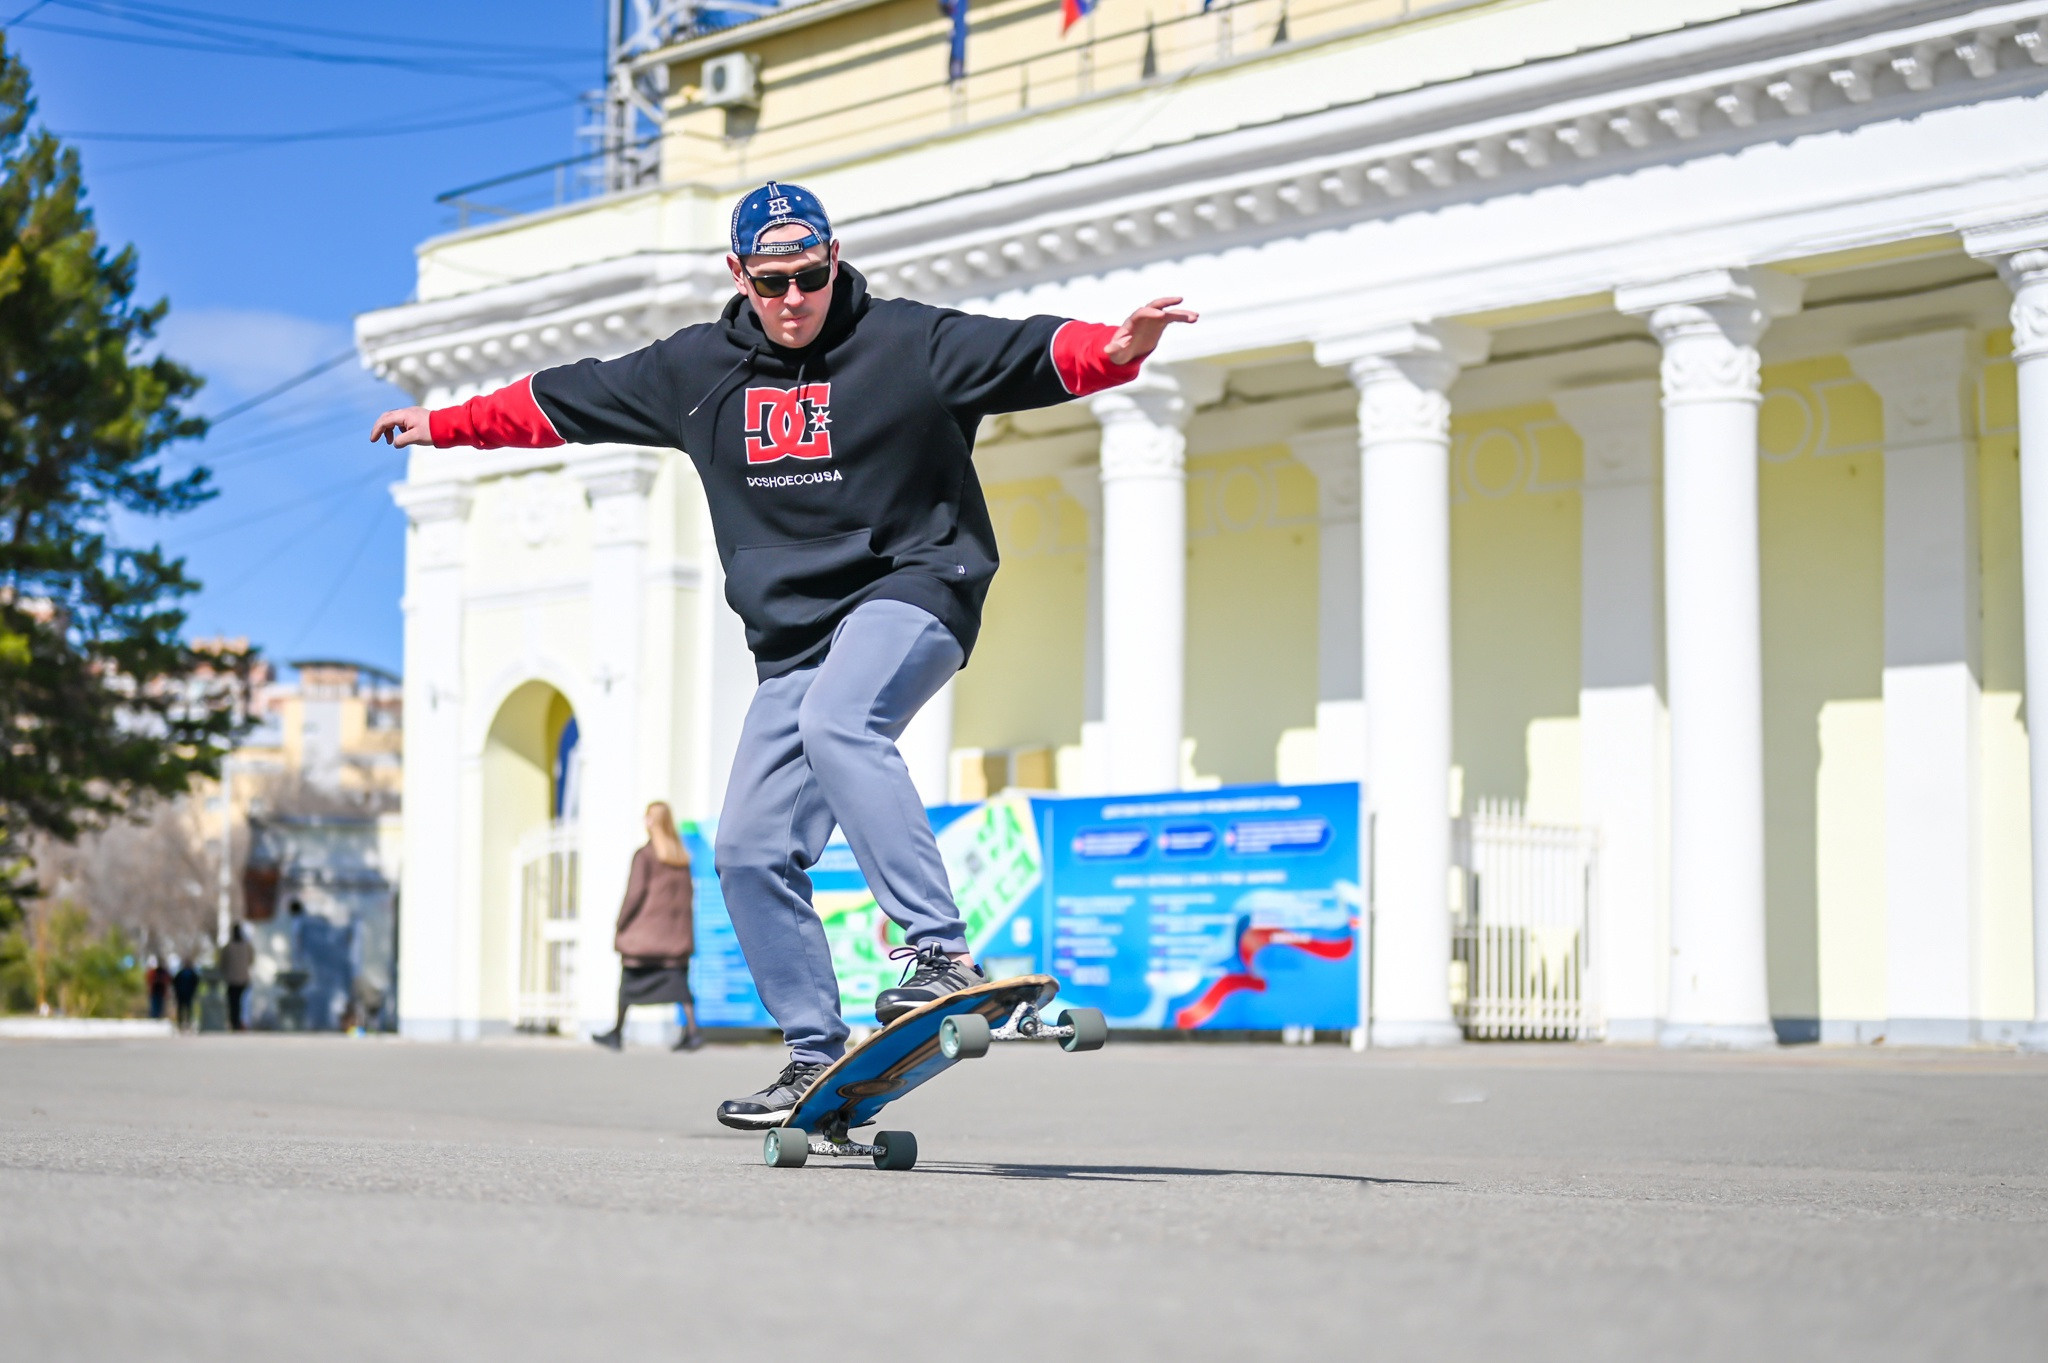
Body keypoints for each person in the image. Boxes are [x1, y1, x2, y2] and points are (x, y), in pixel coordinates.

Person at [373, 180, 1195, 1129]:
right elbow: (565, 399)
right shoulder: (695, 371)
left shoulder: (906, 342)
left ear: (834, 259)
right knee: (746, 846)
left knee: (844, 721)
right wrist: (441, 425)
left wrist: (1115, 347)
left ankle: (937, 948)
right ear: (739, 276)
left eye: (810, 276)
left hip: (915, 587)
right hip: (796, 638)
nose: (794, 299)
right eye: (772, 284)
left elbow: (1028, 350)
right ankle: (814, 1053)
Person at [592, 801, 703, 1053]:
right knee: (680, 985)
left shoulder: (645, 855)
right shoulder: (682, 857)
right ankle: (693, 1033)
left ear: (652, 822)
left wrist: (621, 922)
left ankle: (617, 1033)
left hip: (646, 938)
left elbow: (634, 894)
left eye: (647, 818)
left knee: (628, 982)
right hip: (674, 940)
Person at [220, 924, 254, 1033]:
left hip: (231, 979)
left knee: (233, 1003)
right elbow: (252, 960)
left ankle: (234, 1023)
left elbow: (223, 963)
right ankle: (241, 1023)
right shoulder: (247, 946)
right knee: (243, 1003)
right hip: (244, 979)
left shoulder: (228, 947)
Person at [170, 955, 199, 1034]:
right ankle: (187, 1023)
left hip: (181, 994)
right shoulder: (192, 973)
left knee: (181, 1009)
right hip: (188, 994)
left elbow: (174, 982)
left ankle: (181, 1024)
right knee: (188, 1009)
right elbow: (196, 983)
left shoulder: (180, 973)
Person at [145, 954, 170, 1021]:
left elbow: (167, 981)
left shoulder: (164, 972)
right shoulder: (153, 972)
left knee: (160, 1006)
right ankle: (154, 1017)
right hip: (154, 991)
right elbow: (149, 980)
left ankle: (159, 1017)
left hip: (161, 992)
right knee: (154, 1006)